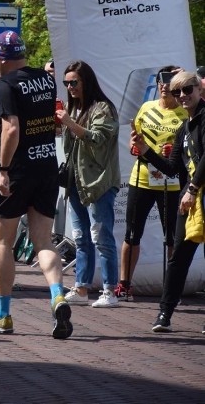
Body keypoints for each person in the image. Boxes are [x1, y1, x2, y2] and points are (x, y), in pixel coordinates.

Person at [0, 31, 72, 339]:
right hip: (46, 165)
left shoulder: (4, 85)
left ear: (0, 58)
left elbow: (12, 128)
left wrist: (3, 169)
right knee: (43, 241)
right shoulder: (46, 80)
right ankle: (57, 294)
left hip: (17, 170)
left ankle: (3, 315)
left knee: (3, 241)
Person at [130, 71, 205, 333]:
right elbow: (172, 168)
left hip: (196, 194)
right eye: (177, 92)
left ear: (198, 89)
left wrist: (193, 188)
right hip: (190, 199)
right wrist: (146, 150)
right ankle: (165, 313)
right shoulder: (184, 128)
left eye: (187, 90)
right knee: (178, 256)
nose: (183, 96)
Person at [117, 65, 186, 301]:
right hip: (142, 178)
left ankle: (172, 288)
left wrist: (174, 153)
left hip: (172, 182)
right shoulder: (146, 108)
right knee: (132, 233)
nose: (164, 85)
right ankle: (124, 284)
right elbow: (133, 141)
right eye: (160, 80)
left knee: (172, 238)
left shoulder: (186, 114)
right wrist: (133, 146)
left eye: (169, 81)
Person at [57, 60, 121, 309]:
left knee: (102, 238)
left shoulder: (103, 108)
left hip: (98, 182)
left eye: (74, 82)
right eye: (66, 83)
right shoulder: (74, 108)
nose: (70, 87)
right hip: (75, 182)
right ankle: (82, 287)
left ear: (86, 82)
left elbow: (98, 138)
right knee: (81, 238)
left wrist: (70, 125)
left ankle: (110, 291)